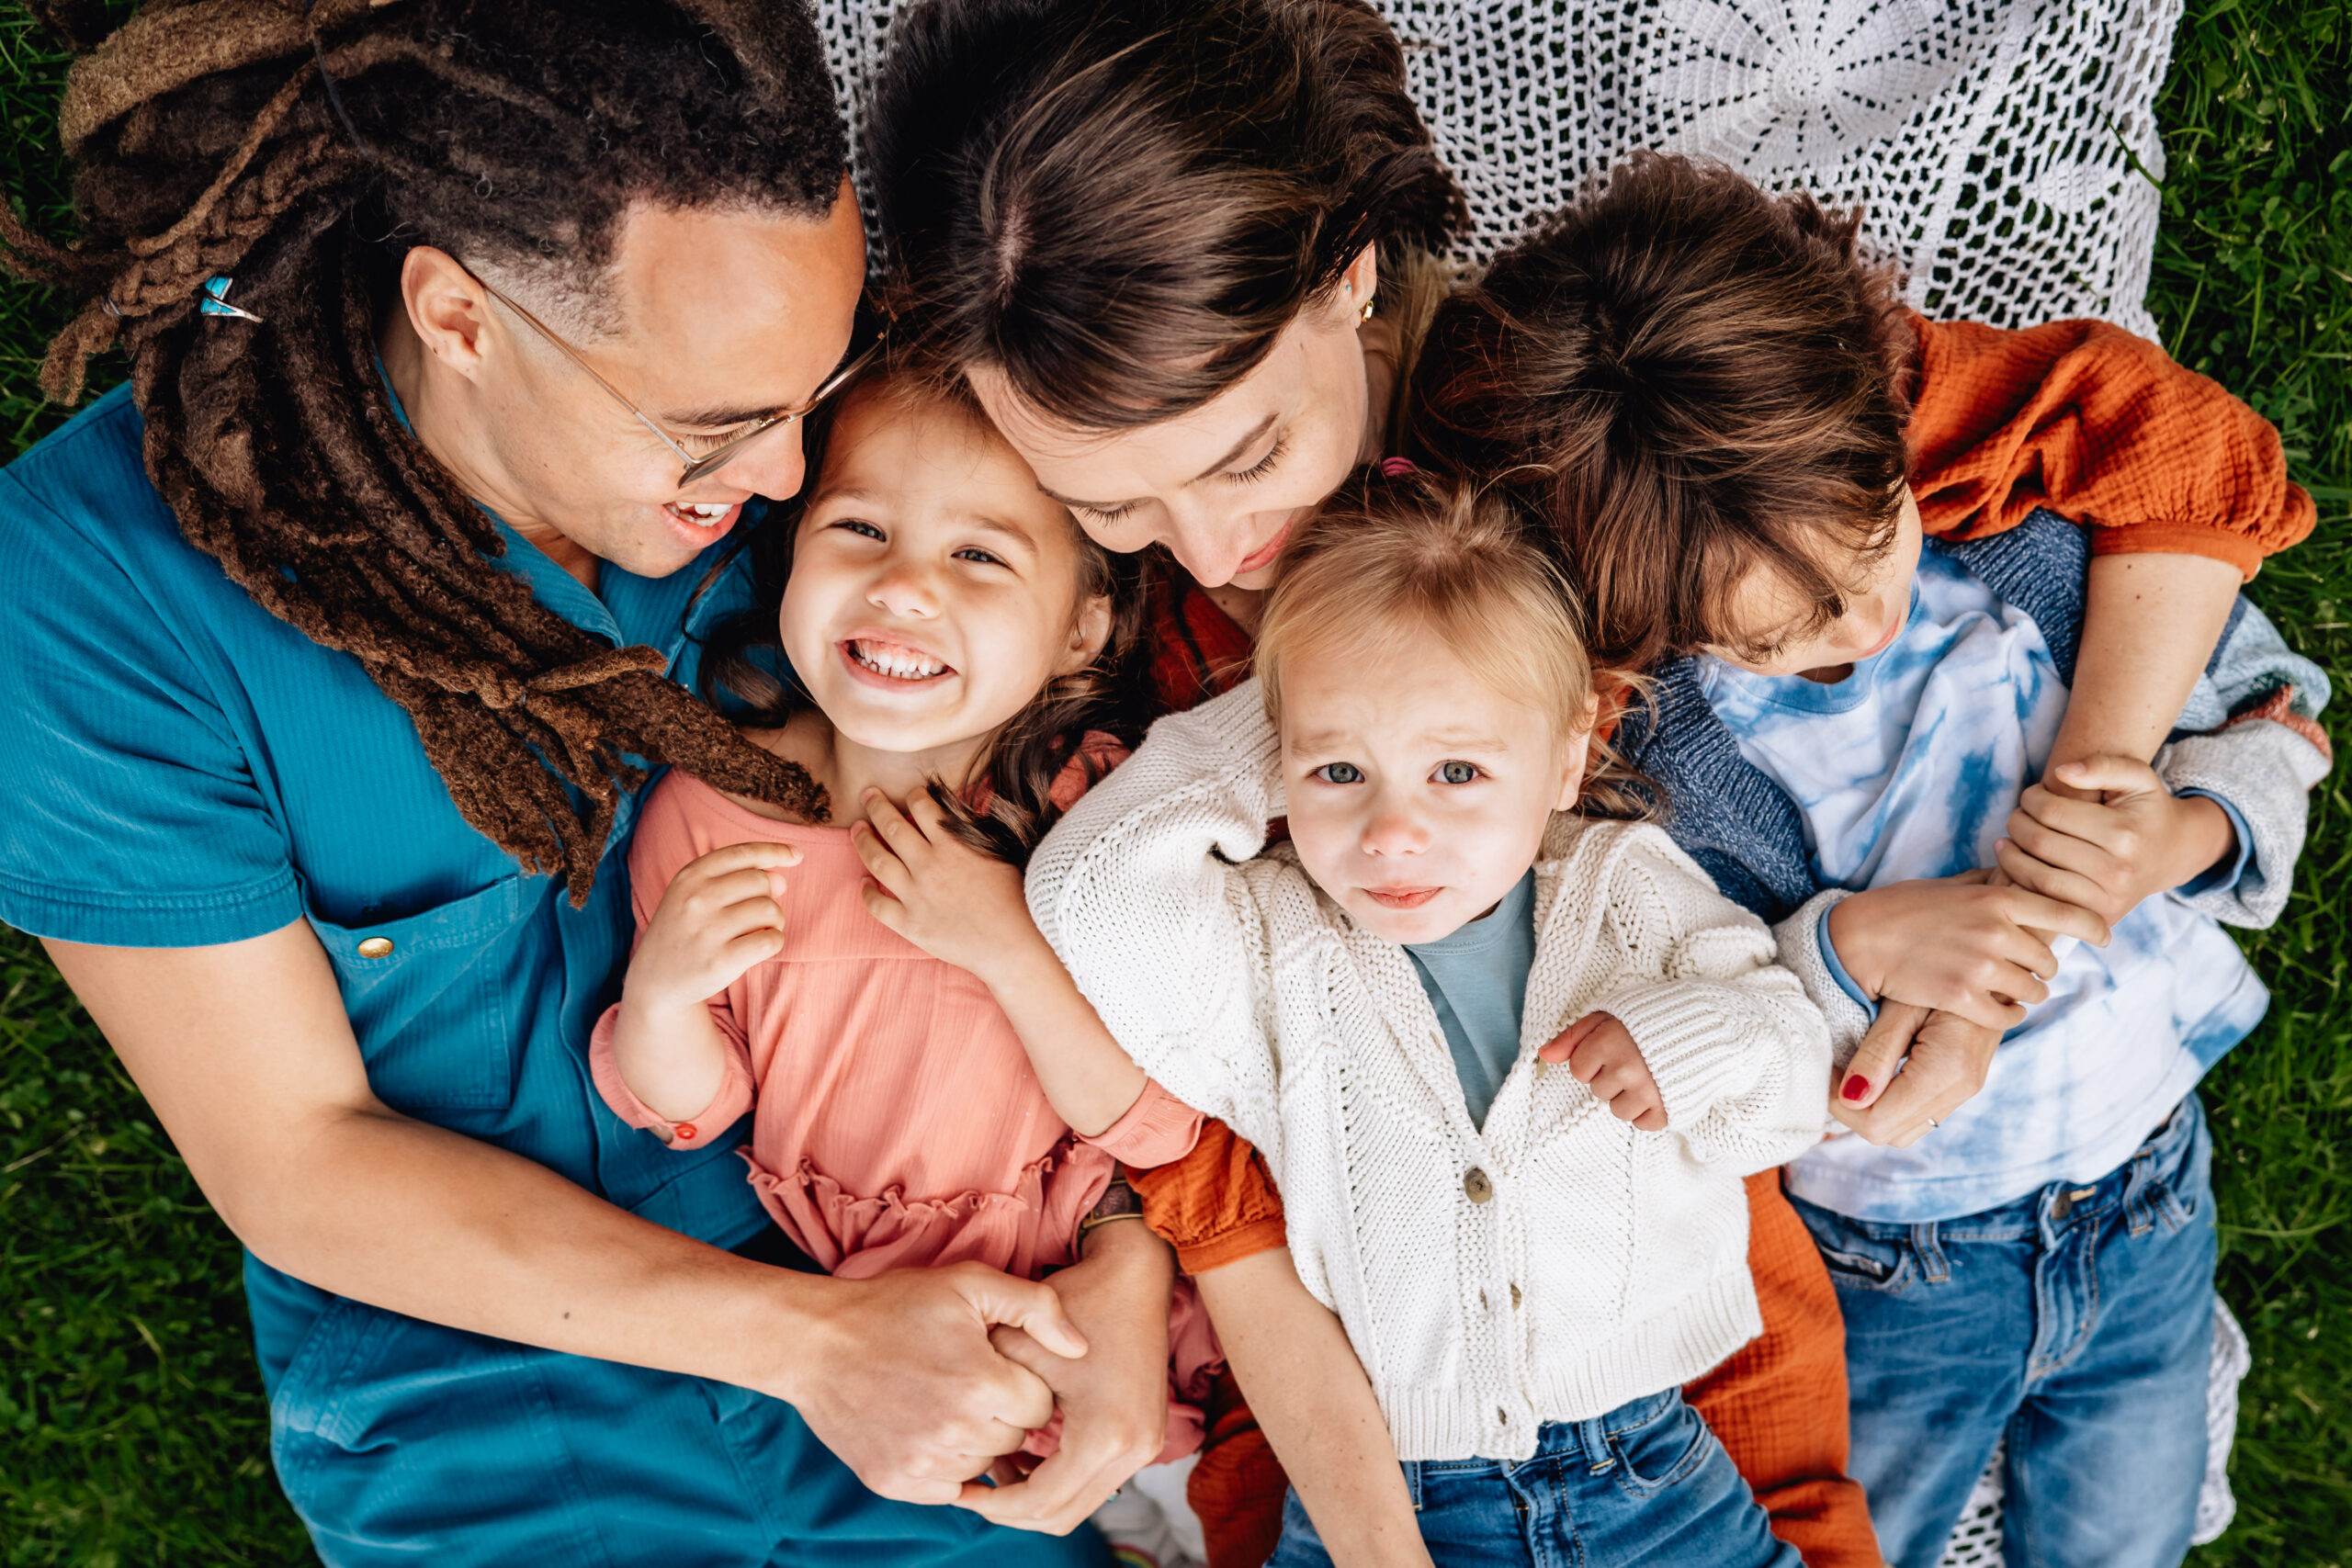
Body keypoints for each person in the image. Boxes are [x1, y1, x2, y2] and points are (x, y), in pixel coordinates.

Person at [869, 4, 2299, 1562]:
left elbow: (2160, 449)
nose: (1216, 557)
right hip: (1387, 1342)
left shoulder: (1599, 430)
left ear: (1350, 276)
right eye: (1118, 506)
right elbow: (1220, 1121)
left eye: (1244, 456)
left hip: (1712, 1278)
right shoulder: (1171, 667)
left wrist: (2071, 835)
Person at [0, 4, 1175, 1562]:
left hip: (936, 1287)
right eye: (716, 433)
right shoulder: (97, 596)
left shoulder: (794, 418)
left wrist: (1134, 1257)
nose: (781, 484)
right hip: (492, 1400)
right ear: (460, 314)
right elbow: (293, 1159)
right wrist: (815, 1347)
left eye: (808, 408)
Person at [1411, 153, 2329, 1567]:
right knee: (1864, 1537)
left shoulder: (2030, 544)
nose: (1863, 626)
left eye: (1875, 542)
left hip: (2149, 1174)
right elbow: (1693, 1001)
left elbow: (2274, 707)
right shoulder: (1662, 763)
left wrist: (2183, 829)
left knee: (2127, 1534)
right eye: (1780, 637)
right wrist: (1844, 949)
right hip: (1900, 1254)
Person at [1027, 467, 1831, 1566]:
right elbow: (1089, 892)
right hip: (1387, 1494)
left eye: (1455, 769)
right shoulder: (1270, 941)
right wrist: (1296, 713)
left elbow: (1786, 1084)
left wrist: (1697, 1039)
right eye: (1340, 771)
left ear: (1567, 756)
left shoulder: (1627, 894)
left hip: (1647, 1478)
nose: (1392, 832)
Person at [590, 364, 1226, 1551]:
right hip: (882, 1333)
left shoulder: (1087, 812)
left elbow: (1161, 1126)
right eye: (862, 528)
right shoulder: (714, 814)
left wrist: (1001, 937)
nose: (904, 587)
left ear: (1083, 622)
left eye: (981, 557)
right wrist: (660, 994)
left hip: (1114, 1289)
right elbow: (695, 1100)